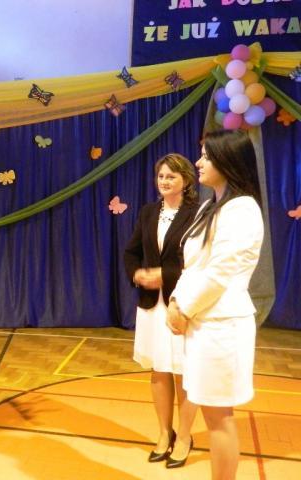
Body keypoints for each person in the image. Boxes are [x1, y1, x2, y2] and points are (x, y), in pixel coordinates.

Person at [167, 129, 264, 479]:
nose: (198, 162)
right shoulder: (212, 206)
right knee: (212, 413)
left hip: (223, 326)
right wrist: (176, 301)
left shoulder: (242, 209)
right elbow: (193, 264)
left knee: (219, 417)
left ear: (228, 160)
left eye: (206, 156)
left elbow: (220, 271)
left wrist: (184, 308)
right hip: (204, 323)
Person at [124, 153, 199, 467]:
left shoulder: (198, 213)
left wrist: (164, 276)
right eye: (161, 176)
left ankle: (184, 437)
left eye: (171, 176)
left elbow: (198, 263)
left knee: (183, 372)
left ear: (186, 180)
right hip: (150, 306)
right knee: (159, 370)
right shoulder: (148, 211)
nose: (164, 181)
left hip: (180, 305)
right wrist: (137, 274)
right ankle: (164, 434)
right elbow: (131, 252)